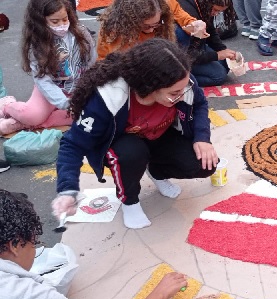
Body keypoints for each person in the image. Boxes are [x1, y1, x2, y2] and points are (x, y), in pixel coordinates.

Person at [0, 189, 189, 299]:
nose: (35, 250)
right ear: (15, 245)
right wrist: (159, 294)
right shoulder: (20, 295)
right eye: (35, 243)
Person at [53, 39, 219, 229]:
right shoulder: (108, 97)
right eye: (174, 93)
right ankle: (129, 201)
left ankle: (156, 171)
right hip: (124, 145)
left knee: (204, 164)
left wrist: (202, 138)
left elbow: (199, 103)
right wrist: (67, 190)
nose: (182, 94)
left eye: (184, 89)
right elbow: (72, 144)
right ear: (149, 87)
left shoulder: (181, 80)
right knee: (132, 153)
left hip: (160, 136)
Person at [0, 0, 96, 136]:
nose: (62, 25)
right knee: (32, 115)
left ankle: (23, 124)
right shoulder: (37, 43)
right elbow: (43, 80)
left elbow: (91, 63)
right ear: (41, 21)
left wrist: (83, 93)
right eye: (55, 22)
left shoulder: (81, 33)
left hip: (78, 88)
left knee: (89, 113)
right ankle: (7, 106)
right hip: (50, 88)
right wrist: (64, 103)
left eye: (65, 19)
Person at [176, 0, 239, 86]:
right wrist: (217, 55)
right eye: (215, 10)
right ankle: (177, 81)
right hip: (182, 56)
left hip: (197, 47)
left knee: (226, 64)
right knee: (219, 76)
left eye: (219, 12)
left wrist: (223, 49)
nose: (216, 14)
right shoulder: (188, 14)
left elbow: (211, 30)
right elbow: (188, 55)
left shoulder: (205, 7)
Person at [96, 0, 176, 60]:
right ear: (131, 21)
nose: (151, 30)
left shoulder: (161, 26)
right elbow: (104, 62)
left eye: (155, 24)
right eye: (146, 26)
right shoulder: (112, 33)